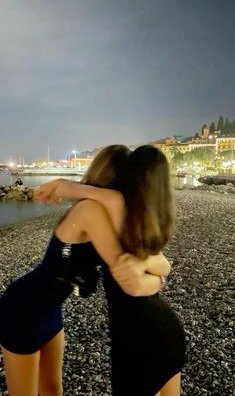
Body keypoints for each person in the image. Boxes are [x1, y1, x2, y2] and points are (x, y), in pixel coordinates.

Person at [0, 144, 171, 396]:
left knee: (52, 390)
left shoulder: (105, 212)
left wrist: (69, 186)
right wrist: (156, 281)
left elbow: (156, 259)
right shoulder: (90, 210)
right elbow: (130, 272)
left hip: (50, 312)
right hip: (21, 310)